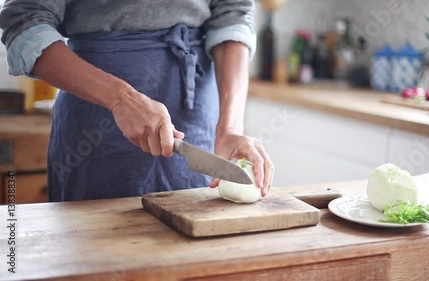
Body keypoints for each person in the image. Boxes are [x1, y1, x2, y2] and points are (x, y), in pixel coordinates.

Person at [0, 0, 274, 201]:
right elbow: (23, 23)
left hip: (197, 123)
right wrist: (120, 98)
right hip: (96, 126)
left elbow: (233, 16)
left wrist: (229, 129)